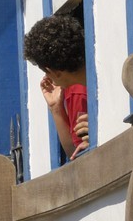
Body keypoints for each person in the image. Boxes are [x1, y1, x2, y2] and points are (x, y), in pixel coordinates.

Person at [24, 14, 90, 159]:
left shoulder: (76, 92)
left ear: (54, 72)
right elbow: (76, 150)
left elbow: (76, 155)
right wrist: (55, 108)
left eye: (45, 72)